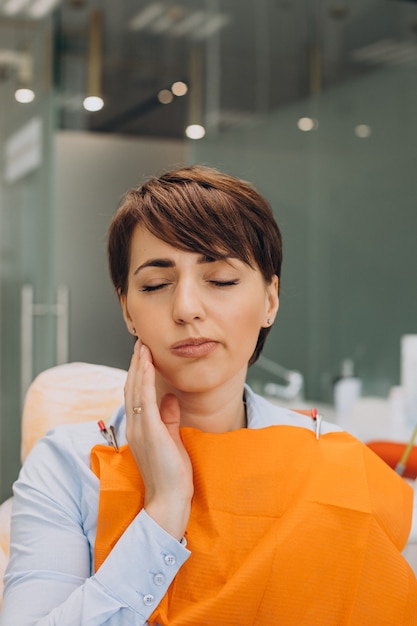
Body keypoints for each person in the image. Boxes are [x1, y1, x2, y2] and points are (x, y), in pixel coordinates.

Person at [1, 165, 416, 625]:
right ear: (127, 311)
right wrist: (163, 510)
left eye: (220, 280)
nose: (186, 309)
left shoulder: (331, 460)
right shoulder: (70, 465)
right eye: (156, 285)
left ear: (270, 300)